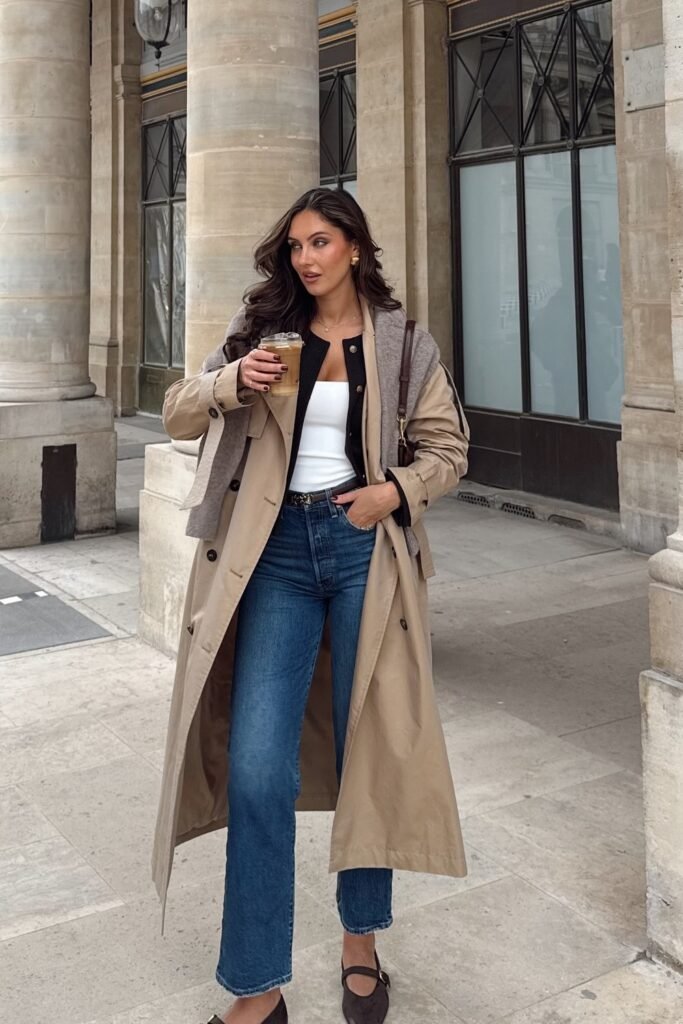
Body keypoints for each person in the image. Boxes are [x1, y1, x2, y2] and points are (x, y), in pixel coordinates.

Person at [152, 188, 470, 1024]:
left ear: (355, 248)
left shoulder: (402, 344)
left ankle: (360, 940)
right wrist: (229, 381)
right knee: (258, 769)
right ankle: (258, 985)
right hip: (276, 555)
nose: (304, 258)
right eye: (295, 244)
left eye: (320, 241)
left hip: (362, 546)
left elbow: (448, 448)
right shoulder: (265, 332)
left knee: (368, 750)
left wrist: (389, 493)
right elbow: (178, 411)